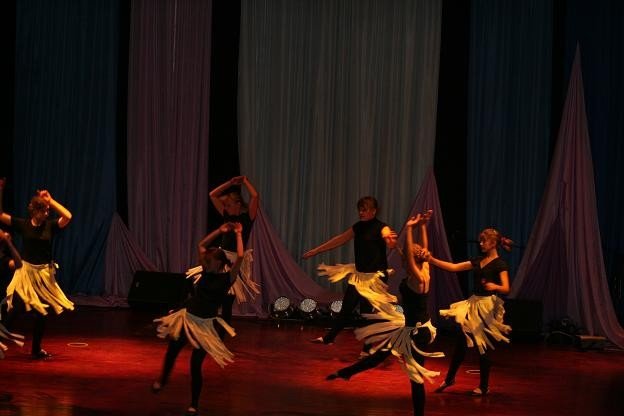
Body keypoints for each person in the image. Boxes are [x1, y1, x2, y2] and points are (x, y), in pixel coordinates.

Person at [325, 211, 443, 416]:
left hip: (418, 333)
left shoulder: (418, 278)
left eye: (406, 259)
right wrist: (422, 226)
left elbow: (410, 256)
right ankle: (346, 373)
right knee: (381, 354)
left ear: (411, 261)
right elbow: (418, 252)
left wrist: (410, 228)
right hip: (412, 328)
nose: (403, 260)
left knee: (415, 378)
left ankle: (419, 414)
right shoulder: (425, 270)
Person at [152, 222, 244, 416]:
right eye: (206, 260)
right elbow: (201, 245)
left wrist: (238, 234)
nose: (206, 262)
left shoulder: (227, 278)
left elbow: (241, 257)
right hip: (187, 319)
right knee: (172, 351)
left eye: (210, 261)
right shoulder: (205, 270)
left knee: (195, 365)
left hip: (204, 327)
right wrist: (219, 231)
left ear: (219, 263)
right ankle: (163, 379)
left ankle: (194, 404)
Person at [426, 227, 513, 396]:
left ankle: (484, 386)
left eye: (484, 241)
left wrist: (495, 286)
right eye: (480, 241)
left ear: (493, 243)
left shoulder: (500, 264)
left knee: (482, 346)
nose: (481, 244)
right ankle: (450, 379)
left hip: (487, 307)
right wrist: (431, 260)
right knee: (461, 342)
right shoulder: (478, 261)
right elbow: (453, 267)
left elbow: (506, 288)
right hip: (474, 304)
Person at [303, 196, 397, 347]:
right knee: (347, 307)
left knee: (366, 313)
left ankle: (367, 349)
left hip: (374, 279)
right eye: (360, 210)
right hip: (360, 276)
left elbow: (390, 241)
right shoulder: (358, 227)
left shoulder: (382, 227)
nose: (361, 212)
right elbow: (339, 239)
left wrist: (390, 239)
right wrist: (316, 250)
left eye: (364, 210)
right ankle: (329, 338)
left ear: (374, 211)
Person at [0, 179, 74, 359]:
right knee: (14, 309)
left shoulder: (50, 226)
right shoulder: (23, 224)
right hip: (26, 274)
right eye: (44, 210)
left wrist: (51, 201)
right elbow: (1, 215)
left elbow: (68, 216)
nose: (47, 214)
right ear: (34, 211)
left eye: (48, 211)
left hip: (43, 275)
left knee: (42, 313)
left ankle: (36, 350)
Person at [205, 176, 259, 335]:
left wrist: (245, 181)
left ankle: (222, 333)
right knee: (214, 296)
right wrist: (230, 183)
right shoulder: (227, 216)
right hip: (221, 259)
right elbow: (212, 195)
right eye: (226, 205)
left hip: (235, 261)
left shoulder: (248, 217)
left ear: (238, 204)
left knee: (227, 301)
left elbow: (255, 196)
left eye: (229, 205)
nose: (226, 207)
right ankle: (210, 328)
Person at [0, 230, 24, 359]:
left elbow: (18, 264)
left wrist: (8, 242)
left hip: (3, 294)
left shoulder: (4, 259)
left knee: (17, 304)